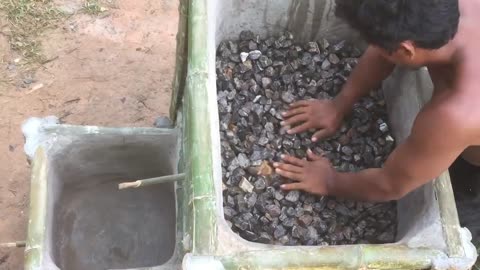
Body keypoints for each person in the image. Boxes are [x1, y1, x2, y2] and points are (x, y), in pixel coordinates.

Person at [274, 0, 480, 202]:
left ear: (406, 50)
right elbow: (388, 48)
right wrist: (339, 104)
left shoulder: (456, 114)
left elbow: (390, 185)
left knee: (464, 190)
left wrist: (329, 181)